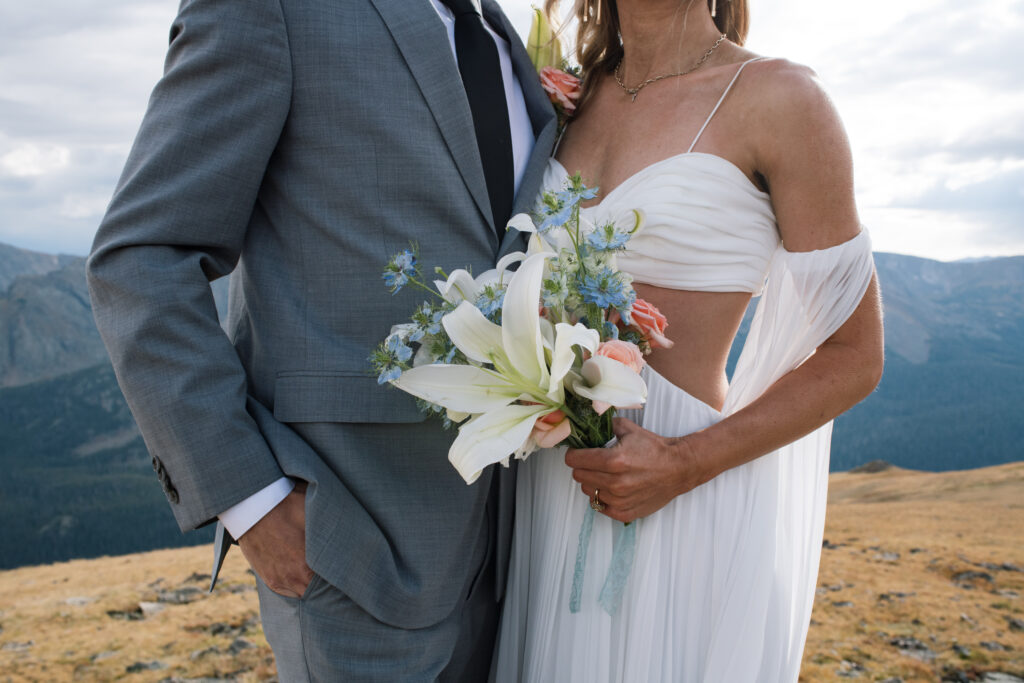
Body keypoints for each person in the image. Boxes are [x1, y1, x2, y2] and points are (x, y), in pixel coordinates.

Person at [86, 0, 557, 679]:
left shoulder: (494, 24)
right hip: (349, 551)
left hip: (510, 555)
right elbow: (141, 257)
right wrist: (252, 502)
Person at [493, 0, 884, 680]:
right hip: (551, 498)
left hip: (686, 494)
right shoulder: (561, 99)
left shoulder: (783, 100)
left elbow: (856, 355)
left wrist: (684, 462)